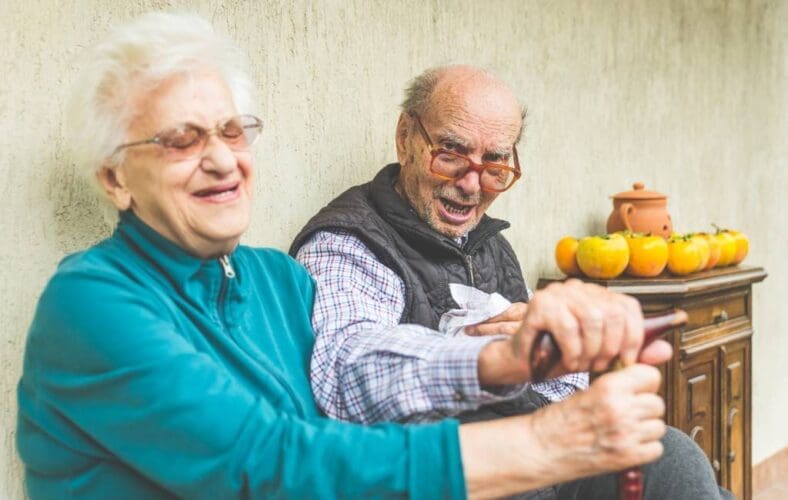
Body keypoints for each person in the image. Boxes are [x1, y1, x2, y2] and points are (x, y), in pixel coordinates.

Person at [290, 65, 730, 498]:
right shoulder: (347, 243)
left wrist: (561, 350)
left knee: (670, 457)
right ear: (405, 138)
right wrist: (498, 359)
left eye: (495, 163)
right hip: (458, 477)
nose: (472, 184)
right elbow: (348, 370)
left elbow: (557, 389)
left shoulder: (488, 244)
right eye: (451, 152)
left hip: (543, 463)